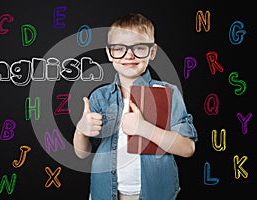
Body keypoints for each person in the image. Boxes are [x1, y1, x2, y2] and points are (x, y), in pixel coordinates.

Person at [73, 13, 198, 200]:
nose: (129, 55)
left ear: (152, 52)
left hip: (155, 195)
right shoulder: (100, 97)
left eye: (139, 48)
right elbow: (81, 154)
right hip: (105, 194)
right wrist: (81, 130)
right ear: (109, 53)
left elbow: (187, 149)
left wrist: (143, 128)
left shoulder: (167, 93)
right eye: (119, 49)